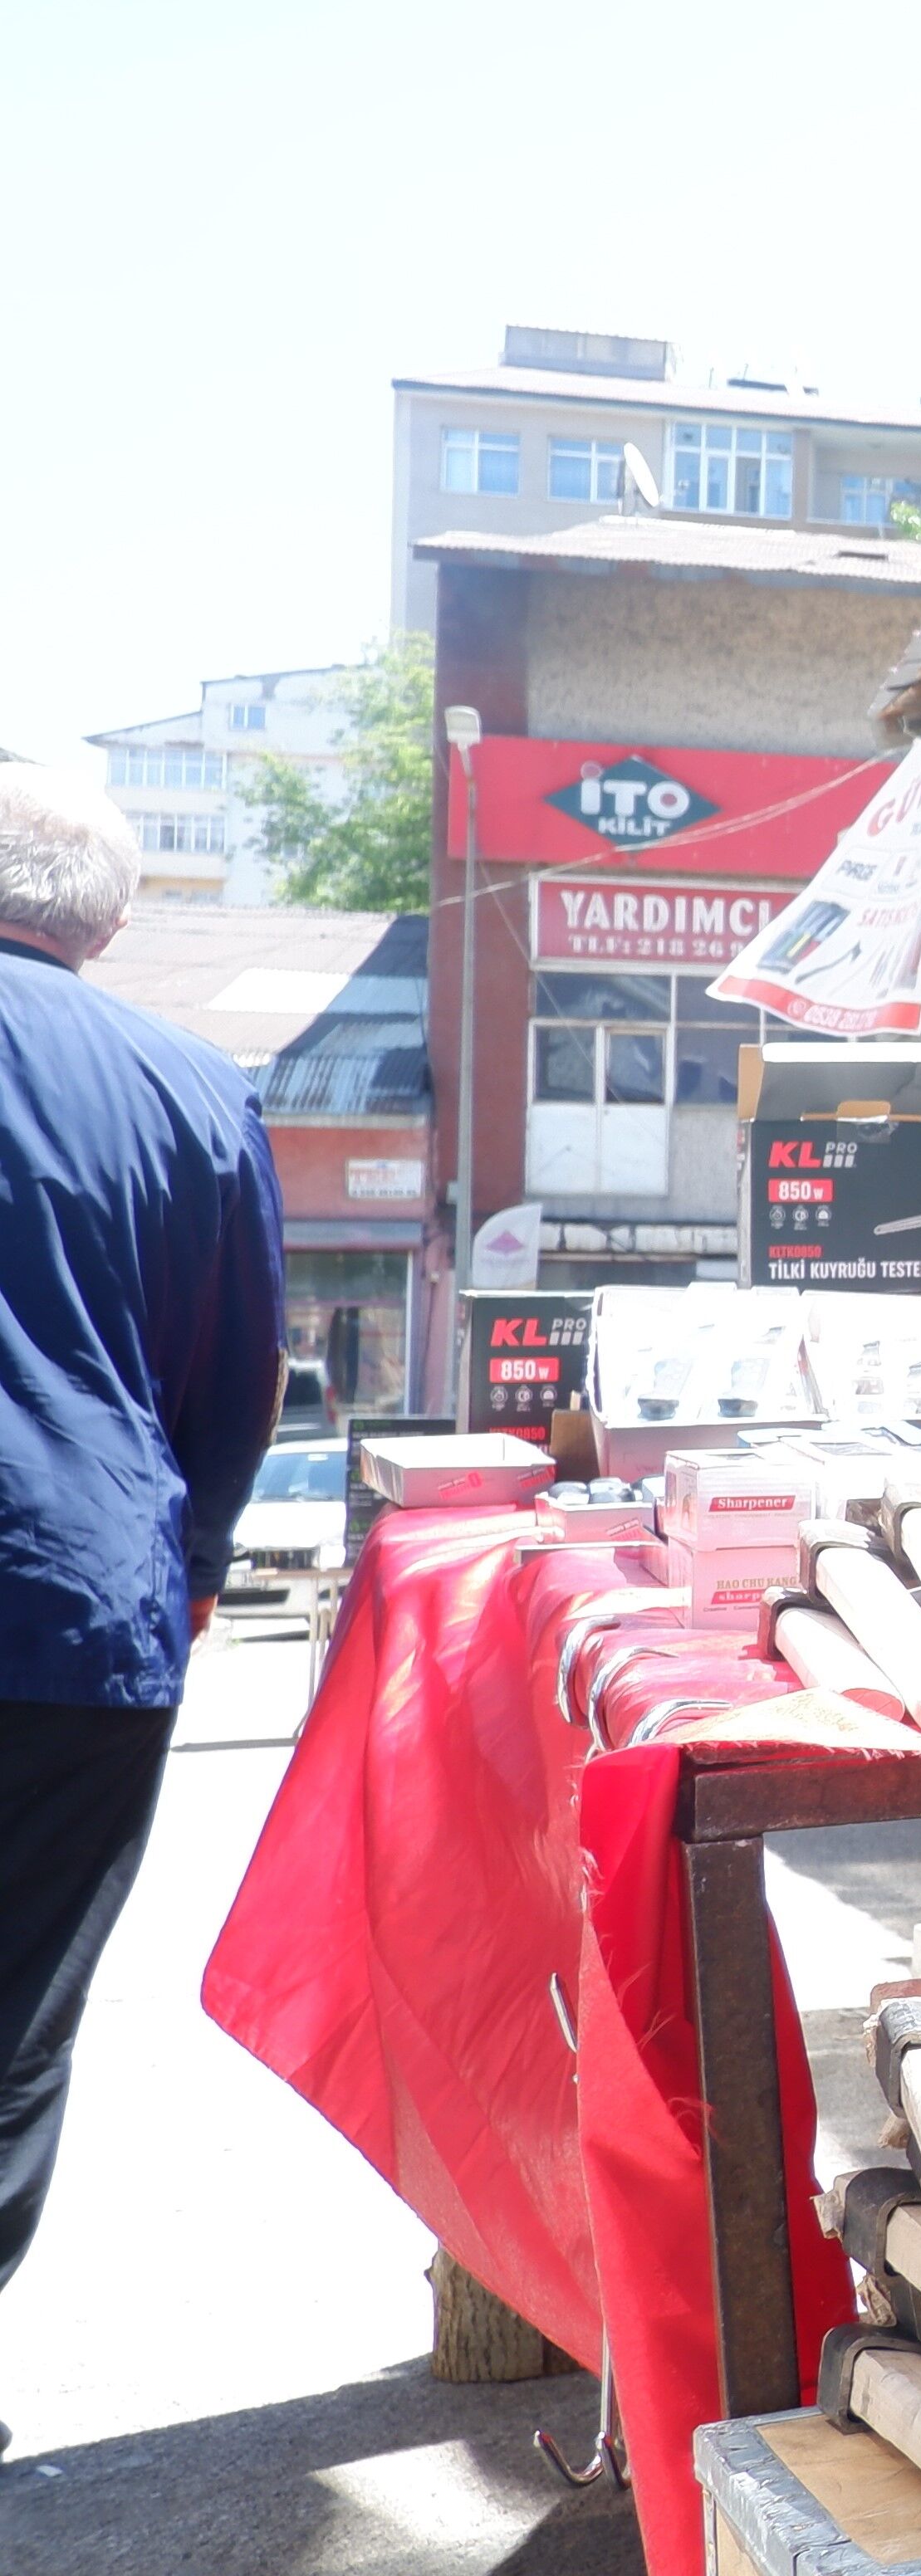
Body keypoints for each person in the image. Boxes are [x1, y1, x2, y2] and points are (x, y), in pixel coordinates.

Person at [0, 767, 283, 2402]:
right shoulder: (187, 1083)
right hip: (74, 1610)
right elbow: (230, 1374)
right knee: (14, 2016)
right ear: (108, 918)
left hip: (83, 1597)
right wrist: (189, 1569)